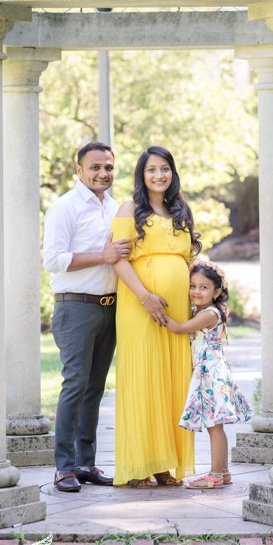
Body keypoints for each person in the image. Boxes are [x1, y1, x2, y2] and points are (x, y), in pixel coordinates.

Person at [41, 142, 133, 494]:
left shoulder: (115, 207)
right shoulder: (64, 207)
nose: (102, 173)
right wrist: (103, 255)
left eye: (108, 167)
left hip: (110, 308)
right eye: (95, 167)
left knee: (94, 389)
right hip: (75, 307)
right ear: (78, 169)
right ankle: (63, 468)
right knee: (75, 385)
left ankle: (85, 463)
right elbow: (53, 260)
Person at [110, 146, 200, 488]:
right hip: (139, 305)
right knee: (144, 378)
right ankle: (138, 466)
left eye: (164, 169)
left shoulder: (181, 210)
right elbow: (118, 260)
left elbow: (187, 259)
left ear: (172, 173)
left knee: (171, 381)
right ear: (141, 175)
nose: (159, 175)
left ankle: (164, 464)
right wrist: (146, 296)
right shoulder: (129, 209)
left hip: (176, 309)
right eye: (152, 170)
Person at [161, 261, 252, 489]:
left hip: (211, 373)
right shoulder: (201, 311)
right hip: (209, 371)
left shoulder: (210, 314)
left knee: (214, 426)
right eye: (193, 286)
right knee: (216, 425)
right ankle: (223, 471)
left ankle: (214, 474)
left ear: (217, 291)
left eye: (204, 287)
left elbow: (180, 328)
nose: (196, 292)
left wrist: (157, 313)